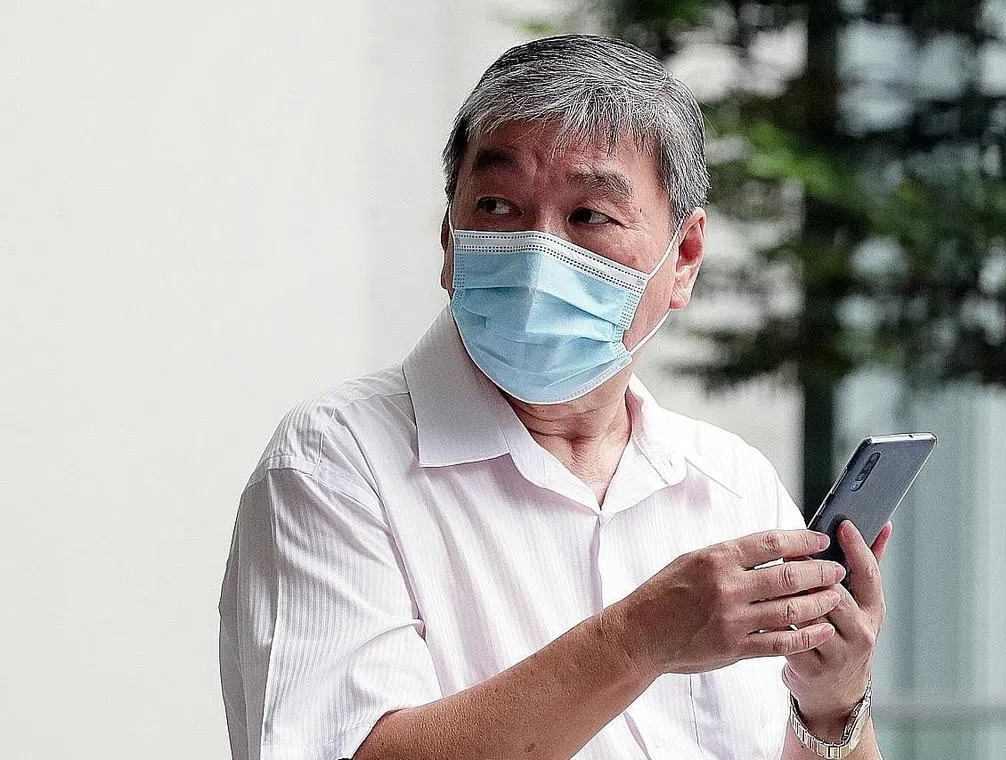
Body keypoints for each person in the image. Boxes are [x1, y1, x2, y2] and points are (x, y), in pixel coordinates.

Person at [218, 34, 890, 760]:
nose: (538, 253)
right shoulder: (335, 462)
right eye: (497, 205)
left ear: (685, 257)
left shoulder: (730, 482)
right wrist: (640, 639)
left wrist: (833, 709)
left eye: (588, 216)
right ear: (448, 239)